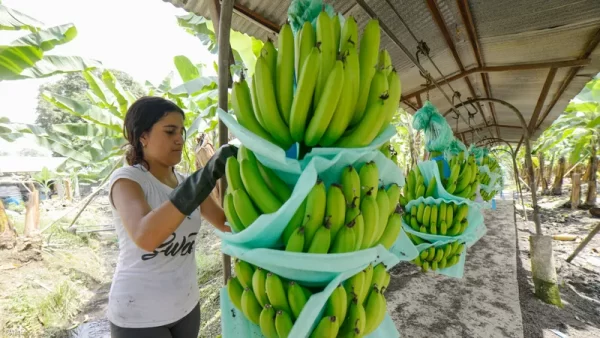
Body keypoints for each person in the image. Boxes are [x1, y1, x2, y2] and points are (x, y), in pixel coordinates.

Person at [107, 96, 238, 337]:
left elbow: (225, 223)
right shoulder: (128, 180)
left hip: (186, 306)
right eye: (169, 132)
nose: (179, 139)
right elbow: (146, 236)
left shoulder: (185, 183)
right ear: (142, 136)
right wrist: (205, 177)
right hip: (139, 315)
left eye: (181, 131)